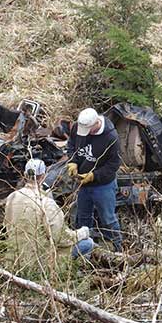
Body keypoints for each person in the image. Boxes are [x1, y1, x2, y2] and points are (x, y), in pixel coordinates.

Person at [4, 159, 94, 270]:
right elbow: (61, 238)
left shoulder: (12, 197)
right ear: (43, 176)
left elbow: (7, 227)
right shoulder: (46, 203)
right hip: (40, 262)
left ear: (25, 175)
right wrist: (83, 232)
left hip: (14, 259)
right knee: (88, 243)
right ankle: (74, 274)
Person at [66, 108, 123, 252]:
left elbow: (113, 165)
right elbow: (72, 144)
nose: (85, 134)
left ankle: (117, 249)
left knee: (108, 218)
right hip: (83, 184)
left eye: (88, 130)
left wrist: (94, 175)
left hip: (103, 185)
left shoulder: (111, 137)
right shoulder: (79, 127)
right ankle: (85, 249)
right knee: (83, 217)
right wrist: (72, 161)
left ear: (96, 123)